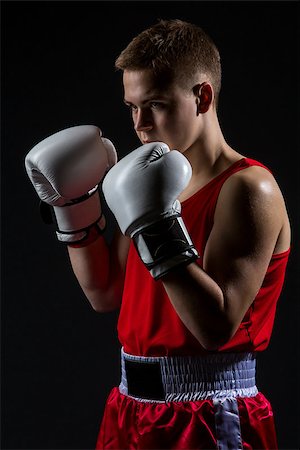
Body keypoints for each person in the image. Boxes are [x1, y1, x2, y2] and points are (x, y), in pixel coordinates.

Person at [25, 19, 291, 450]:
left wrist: (154, 222)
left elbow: (216, 328)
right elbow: (105, 293)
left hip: (209, 414)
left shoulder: (249, 187)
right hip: (131, 406)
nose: (140, 124)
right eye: (131, 106)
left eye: (155, 104)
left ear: (202, 96)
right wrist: (73, 209)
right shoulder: (151, 180)